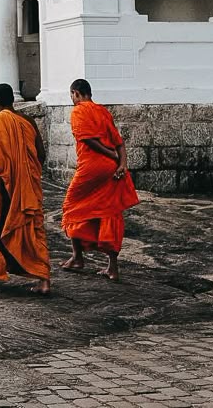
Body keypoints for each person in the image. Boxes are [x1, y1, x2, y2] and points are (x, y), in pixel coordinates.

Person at [0, 83, 51, 294]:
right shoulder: (28, 120)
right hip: (27, 185)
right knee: (32, 229)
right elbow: (40, 154)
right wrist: (27, 174)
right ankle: (43, 281)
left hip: (2, 185)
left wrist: (8, 172)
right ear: (12, 101)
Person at [61, 78, 139, 282]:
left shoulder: (78, 111)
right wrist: (122, 164)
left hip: (91, 167)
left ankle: (78, 257)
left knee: (72, 208)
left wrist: (111, 155)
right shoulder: (103, 111)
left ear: (76, 93)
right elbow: (119, 143)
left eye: (71, 95)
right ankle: (112, 268)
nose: (72, 99)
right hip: (112, 169)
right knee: (110, 212)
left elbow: (88, 140)